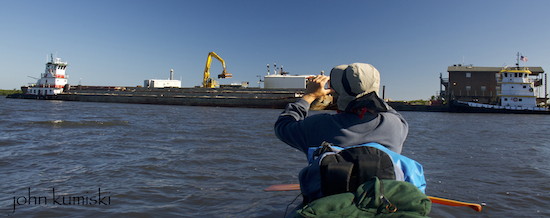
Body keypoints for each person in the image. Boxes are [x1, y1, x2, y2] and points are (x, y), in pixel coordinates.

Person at [274, 63, 408, 156]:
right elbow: (387, 109)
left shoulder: (319, 126)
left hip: (332, 195)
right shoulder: (396, 125)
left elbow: (282, 126)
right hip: (379, 195)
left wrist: (309, 96)